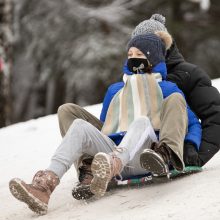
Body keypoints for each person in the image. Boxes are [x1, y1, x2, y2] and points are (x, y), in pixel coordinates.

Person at [9, 31, 201, 215]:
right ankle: (45, 187)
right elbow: (107, 127)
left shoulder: (167, 88)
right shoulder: (116, 90)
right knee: (78, 125)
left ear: (153, 59)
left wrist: (191, 145)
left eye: (139, 54)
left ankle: (130, 161)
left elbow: (188, 121)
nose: (133, 58)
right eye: (130, 54)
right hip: (109, 160)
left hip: (147, 158)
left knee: (142, 121)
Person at [58, 14, 220, 169]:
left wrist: (195, 153)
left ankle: (162, 155)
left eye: (146, 46)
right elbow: (108, 125)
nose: (139, 52)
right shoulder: (127, 79)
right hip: (125, 145)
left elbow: (215, 117)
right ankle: (90, 168)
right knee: (68, 112)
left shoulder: (188, 75)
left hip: (165, 145)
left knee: (170, 103)